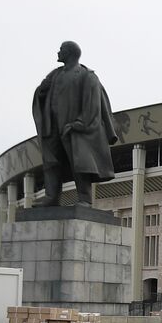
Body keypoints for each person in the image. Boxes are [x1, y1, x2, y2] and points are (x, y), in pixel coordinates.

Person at [31, 40, 118, 207]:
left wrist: (79, 123)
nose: (58, 52)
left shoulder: (87, 76)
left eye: (61, 49)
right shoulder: (55, 74)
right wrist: (41, 90)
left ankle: (84, 199)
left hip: (75, 129)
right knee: (51, 162)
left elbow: (92, 104)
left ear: (70, 53)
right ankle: (52, 197)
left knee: (79, 162)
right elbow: (42, 94)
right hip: (53, 127)